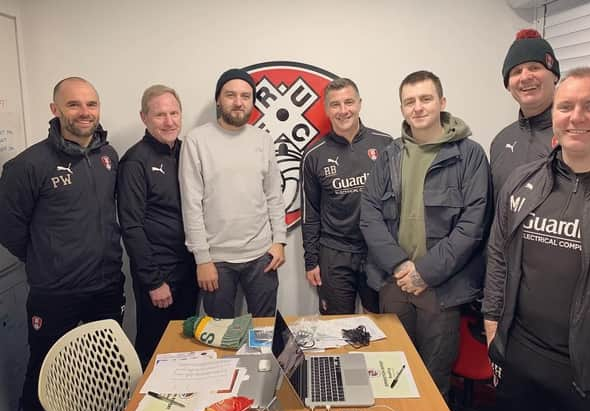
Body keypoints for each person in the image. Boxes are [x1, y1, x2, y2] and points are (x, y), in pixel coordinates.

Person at [483, 67, 590, 411]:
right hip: (521, 357)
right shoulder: (522, 181)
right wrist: (494, 332)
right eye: (566, 106)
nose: (576, 117)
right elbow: (498, 258)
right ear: (554, 115)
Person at [0, 77, 125, 411]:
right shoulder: (27, 166)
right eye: (74, 105)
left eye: (91, 104)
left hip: (106, 287)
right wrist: (49, 258)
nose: (84, 113)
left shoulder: (108, 156)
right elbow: (9, 230)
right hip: (55, 294)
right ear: (55, 110)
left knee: (106, 377)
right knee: (48, 376)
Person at [360, 70, 492, 395]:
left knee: (433, 379)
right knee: (392, 373)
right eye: (409, 101)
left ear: (442, 102)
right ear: (402, 108)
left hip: (441, 287)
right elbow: (370, 214)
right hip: (394, 282)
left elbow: (473, 224)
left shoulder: (469, 154)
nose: (418, 107)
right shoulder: (390, 154)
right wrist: (400, 265)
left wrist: (425, 272)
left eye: (425, 99)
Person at [179, 68, 286, 318]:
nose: (238, 102)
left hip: (262, 256)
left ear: (252, 101)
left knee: (265, 332)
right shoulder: (196, 141)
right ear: (218, 99)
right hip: (216, 260)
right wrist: (202, 259)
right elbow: (191, 204)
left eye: (246, 96)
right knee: (220, 338)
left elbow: (273, 195)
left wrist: (279, 241)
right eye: (230, 95)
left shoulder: (262, 140)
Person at [490, 29, 590, 201]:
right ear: (508, 85)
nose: (525, 76)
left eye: (535, 67)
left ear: (554, 76)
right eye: (516, 71)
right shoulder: (500, 142)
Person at [117, 85, 198, 368]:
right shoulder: (135, 161)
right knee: (155, 350)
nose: (169, 121)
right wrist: (153, 281)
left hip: (188, 268)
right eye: (160, 114)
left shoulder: (186, 151)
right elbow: (132, 226)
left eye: (174, 113)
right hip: (159, 275)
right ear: (144, 118)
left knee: (185, 347)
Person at [301, 77, 391, 315]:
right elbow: (310, 213)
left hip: (377, 251)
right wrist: (311, 260)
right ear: (326, 108)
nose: (343, 110)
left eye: (349, 102)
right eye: (335, 104)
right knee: (336, 326)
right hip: (334, 253)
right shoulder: (313, 155)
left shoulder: (386, 145)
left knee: (381, 322)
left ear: (360, 103)